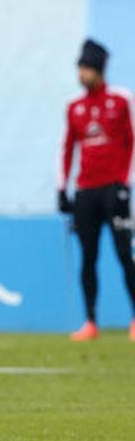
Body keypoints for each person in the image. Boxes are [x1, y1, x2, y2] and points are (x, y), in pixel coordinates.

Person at [58, 39, 135, 342]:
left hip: (114, 190)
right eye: (80, 68)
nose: (81, 74)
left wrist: (124, 185)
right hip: (86, 192)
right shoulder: (73, 107)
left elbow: (132, 142)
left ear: (99, 70)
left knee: (123, 254)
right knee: (88, 257)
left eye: (86, 68)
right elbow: (65, 149)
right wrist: (62, 190)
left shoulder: (121, 100)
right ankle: (90, 321)